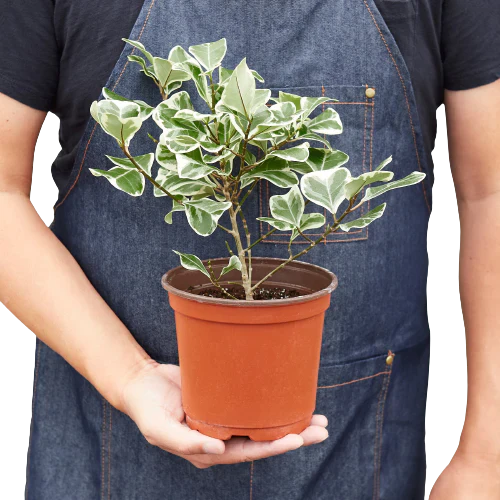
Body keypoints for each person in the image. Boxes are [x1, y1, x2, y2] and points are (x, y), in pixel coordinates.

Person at [0, 0, 498, 498]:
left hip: (357, 451)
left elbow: (490, 190)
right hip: (110, 454)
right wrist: (131, 376)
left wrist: (486, 459)